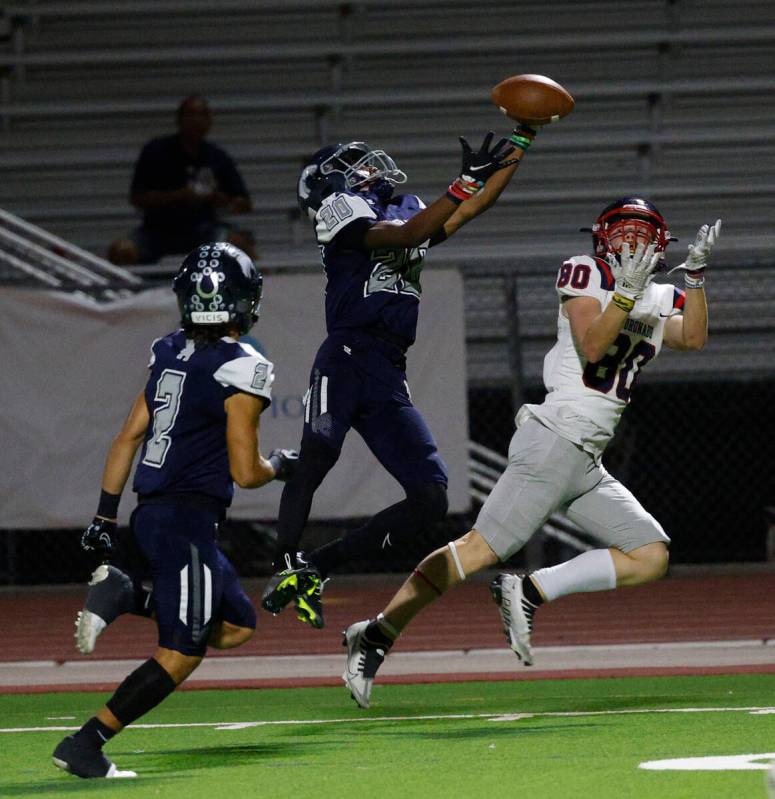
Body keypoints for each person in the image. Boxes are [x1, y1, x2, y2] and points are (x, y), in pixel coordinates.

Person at [341, 198, 722, 708]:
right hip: (555, 438)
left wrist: (695, 277)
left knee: (650, 554)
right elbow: (592, 345)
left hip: (585, 457)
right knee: (476, 551)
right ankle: (378, 634)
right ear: (603, 239)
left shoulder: (656, 293)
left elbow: (693, 338)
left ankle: (531, 590)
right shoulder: (586, 272)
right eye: (624, 234)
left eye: (643, 235)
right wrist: (626, 296)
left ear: (660, 244)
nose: (633, 244)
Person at [260, 125, 540, 629]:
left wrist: (521, 140)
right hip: (346, 354)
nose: (369, 168)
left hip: (388, 367)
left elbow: (473, 207)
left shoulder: (407, 206)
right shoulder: (339, 211)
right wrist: (462, 183)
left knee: (431, 495)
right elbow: (407, 236)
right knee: (318, 455)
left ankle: (318, 566)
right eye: (353, 166)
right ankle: (285, 563)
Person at [52, 242, 298, 778]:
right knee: (183, 650)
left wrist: (104, 517)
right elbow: (245, 471)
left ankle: (125, 593)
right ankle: (85, 744)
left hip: (151, 514)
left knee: (236, 625)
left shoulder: (167, 350)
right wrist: (281, 465)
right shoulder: (243, 367)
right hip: (187, 521)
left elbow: (127, 438)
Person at [108, 95, 255, 266]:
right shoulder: (156, 152)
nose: (196, 120)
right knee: (120, 251)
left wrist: (220, 199)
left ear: (209, 121)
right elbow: (137, 198)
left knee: (241, 247)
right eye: (191, 114)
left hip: (204, 230)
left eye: (201, 115)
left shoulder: (217, 156)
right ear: (179, 120)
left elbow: (244, 203)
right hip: (158, 231)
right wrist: (180, 195)